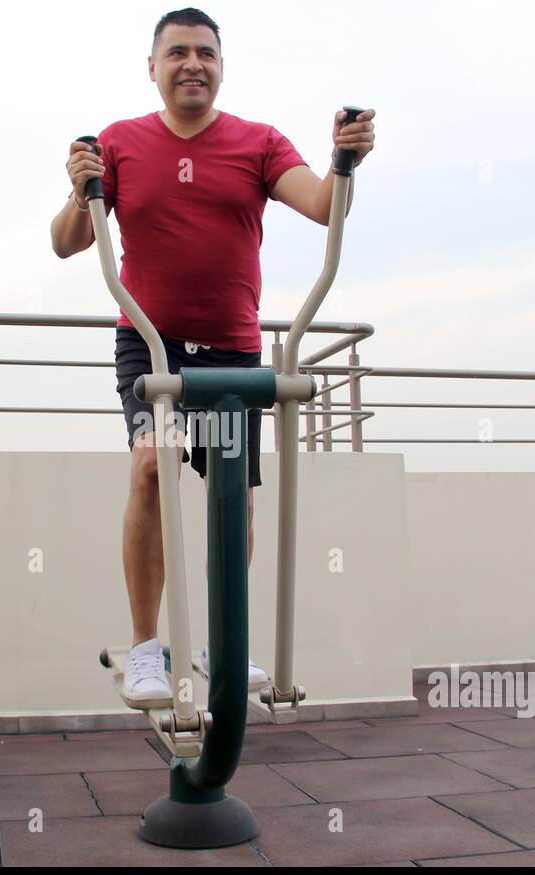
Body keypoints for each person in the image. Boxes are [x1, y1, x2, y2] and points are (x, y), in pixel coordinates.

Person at [49, 8, 375, 708]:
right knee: (150, 465)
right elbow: (66, 241)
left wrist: (346, 159)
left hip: (230, 351)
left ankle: (218, 643)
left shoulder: (257, 142)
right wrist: (81, 191)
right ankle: (145, 652)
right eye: (177, 53)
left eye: (204, 53)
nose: (192, 64)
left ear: (221, 67)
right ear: (154, 68)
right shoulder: (120, 143)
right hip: (152, 345)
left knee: (235, 493)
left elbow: (322, 206)